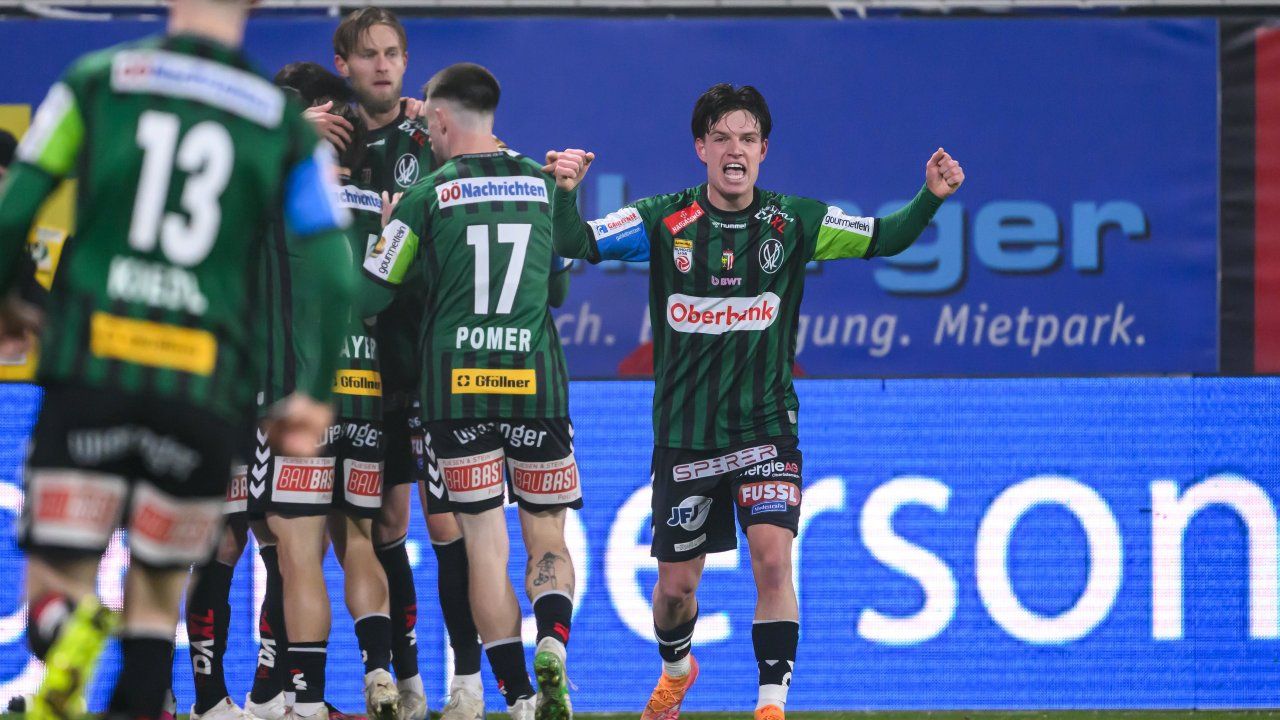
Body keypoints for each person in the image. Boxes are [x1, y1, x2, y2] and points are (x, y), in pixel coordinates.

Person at [546, 83, 965, 720]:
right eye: (721, 138)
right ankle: (677, 669)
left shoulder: (794, 221)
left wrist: (929, 198)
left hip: (767, 430)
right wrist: (566, 192)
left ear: (763, 151)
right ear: (700, 148)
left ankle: (770, 704)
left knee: (772, 558)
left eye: (746, 139)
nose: (734, 150)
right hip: (686, 435)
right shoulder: (663, 220)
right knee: (676, 590)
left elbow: (886, 237)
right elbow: (577, 243)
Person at [0, 1, 354, 718]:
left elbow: (14, 210)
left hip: (93, 370)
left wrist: (11, 295)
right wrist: (313, 393)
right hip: (202, 390)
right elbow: (338, 272)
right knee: (157, 595)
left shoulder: (96, 80)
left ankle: (64, 629)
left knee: (56, 572)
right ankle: (139, 691)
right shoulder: (279, 124)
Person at [361, 63, 578, 720]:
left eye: (426, 122)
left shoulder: (426, 196)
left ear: (446, 120)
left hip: (458, 395)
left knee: (485, 545)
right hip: (535, 388)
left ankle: (516, 697)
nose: (422, 133)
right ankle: (554, 643)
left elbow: (373, 293)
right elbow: (559, 290)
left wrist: (386, 231)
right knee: (547, 538)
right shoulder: (542, 187)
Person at [185, 61, 374, 720]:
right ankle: (208, 700)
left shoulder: (315, 194)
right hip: (231, 391)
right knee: (223, 541)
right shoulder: (243, 177)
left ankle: (276, 694)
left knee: (284, 543)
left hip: (284, 393)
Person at [327, 10, 486, 719]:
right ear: (344, 63)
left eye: (394, 54)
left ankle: (469, 683)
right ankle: (408, 684)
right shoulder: (324, 136)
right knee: (386, 525)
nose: (383, 66)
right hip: (359, 369)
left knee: (447, 525)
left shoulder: (432, 136)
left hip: (429, 361)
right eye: (369, 56)